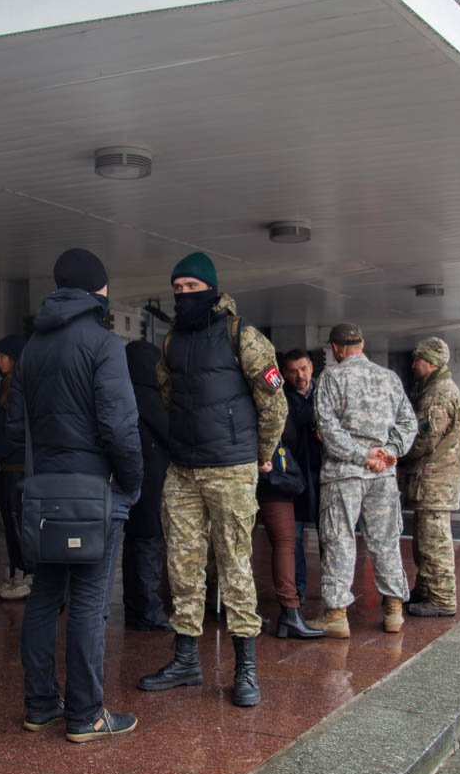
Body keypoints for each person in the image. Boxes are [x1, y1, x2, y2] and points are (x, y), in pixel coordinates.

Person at [137, 251, 287, 708]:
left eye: (191, 288)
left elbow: (274, 404)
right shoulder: (170, 341)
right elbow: (167, 394)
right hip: (182, 469)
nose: (183, 296)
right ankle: (185, 659)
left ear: (212, 288)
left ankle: (245, 668)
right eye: (177, 288)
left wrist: (260, 456)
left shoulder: (244, 336)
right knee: (182, 566)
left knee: (234, 566)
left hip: (231, 468)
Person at [7, 248, 143, 742]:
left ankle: (41, 705)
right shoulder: (103, 344)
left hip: (45, 494)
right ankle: (87, 714)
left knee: (44, 597)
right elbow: (120, 425)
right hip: (95, 494)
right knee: (89, 602)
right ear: (96, 290)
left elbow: (15, 423)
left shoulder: (31, 350)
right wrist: (132, 481)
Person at [308, 323, 417, 638]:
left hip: (345, 475)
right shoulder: (389, 378)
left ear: (336, 348)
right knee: (385, 541)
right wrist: (389, 452)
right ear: (362, 343)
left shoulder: (332, 377)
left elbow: (328, 429)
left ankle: (337, 615)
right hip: (382, 474)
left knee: (339, 540)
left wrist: (360, 456)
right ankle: (394, 611)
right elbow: (408, 422)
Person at [399, 337, 460, 618]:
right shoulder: (438, 389)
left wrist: (398, 453)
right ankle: (426, 590)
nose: (413, 365)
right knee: (424, 540)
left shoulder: (439, 393)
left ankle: (441, 598)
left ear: (430, 362)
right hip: (434, 480)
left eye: (417, 360)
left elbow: (424, 438)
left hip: (434, 481)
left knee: (433, 542)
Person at [256, 408, 323, 639]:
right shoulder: (269, 387)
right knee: (285, 542)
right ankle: (289, 613)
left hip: (242, 467)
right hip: (271, 474)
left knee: (239, 543)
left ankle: (243, 609)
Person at [122, 339, 173, 632]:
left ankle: (135, 607)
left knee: (134, 544)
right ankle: (148, 610)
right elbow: (170, 433)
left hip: (128, 477)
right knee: (149, 544)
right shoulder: (151, 397)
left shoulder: (122, 394)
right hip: (153, 478)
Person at [0, 334, 31, 601]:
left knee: (17, 520)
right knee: (10, 522)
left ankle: (26, 575)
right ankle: (15, 574)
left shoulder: (19, 387)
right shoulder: (6, 384)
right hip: (3, 463)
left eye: (2, 356)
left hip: (15, 464)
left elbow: (17, 429)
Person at [281, 348, 323, 604]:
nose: (300, 375)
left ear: (311, 368)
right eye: (294, 371)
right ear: (285, 374)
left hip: (323, 475)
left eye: (304, 369)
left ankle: (333, 590)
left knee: (328, 535)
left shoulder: (325, 393)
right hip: (293, 477)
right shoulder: (280, 399)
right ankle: (298, 589)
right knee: (293, 538)